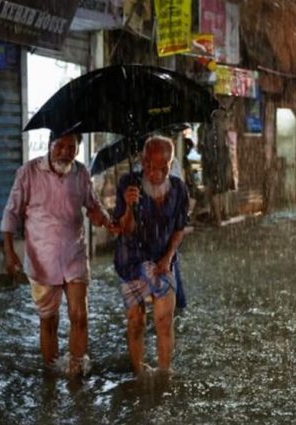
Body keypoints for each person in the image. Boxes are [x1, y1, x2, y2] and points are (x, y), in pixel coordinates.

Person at [0, 132, 116, 375]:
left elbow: (92, 205)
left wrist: (101, 216)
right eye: (60, 146)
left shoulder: (81, 173)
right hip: (42, 259)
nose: (65, 151)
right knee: (49, 321)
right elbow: (11, 213)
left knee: (79, 315)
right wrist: (9, 252)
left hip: (74, 254)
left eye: (71, 147)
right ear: (50, 145)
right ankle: (51, 375)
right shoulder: (28, 172)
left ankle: (76, 372)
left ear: (77, 148)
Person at [113, 136, 189, 375]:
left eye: (162, 168)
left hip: (162, 261)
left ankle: (164, 374)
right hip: (132, 261)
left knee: (164, 321)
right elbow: (124, 229)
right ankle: (138, 373)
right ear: (142, 162)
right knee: (136, 322)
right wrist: (128, 207)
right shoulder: (128, 183)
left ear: (171, 164)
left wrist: (168, 258)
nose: (155, 173)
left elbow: (179, 228)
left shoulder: (178, 189)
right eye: (150, 166)